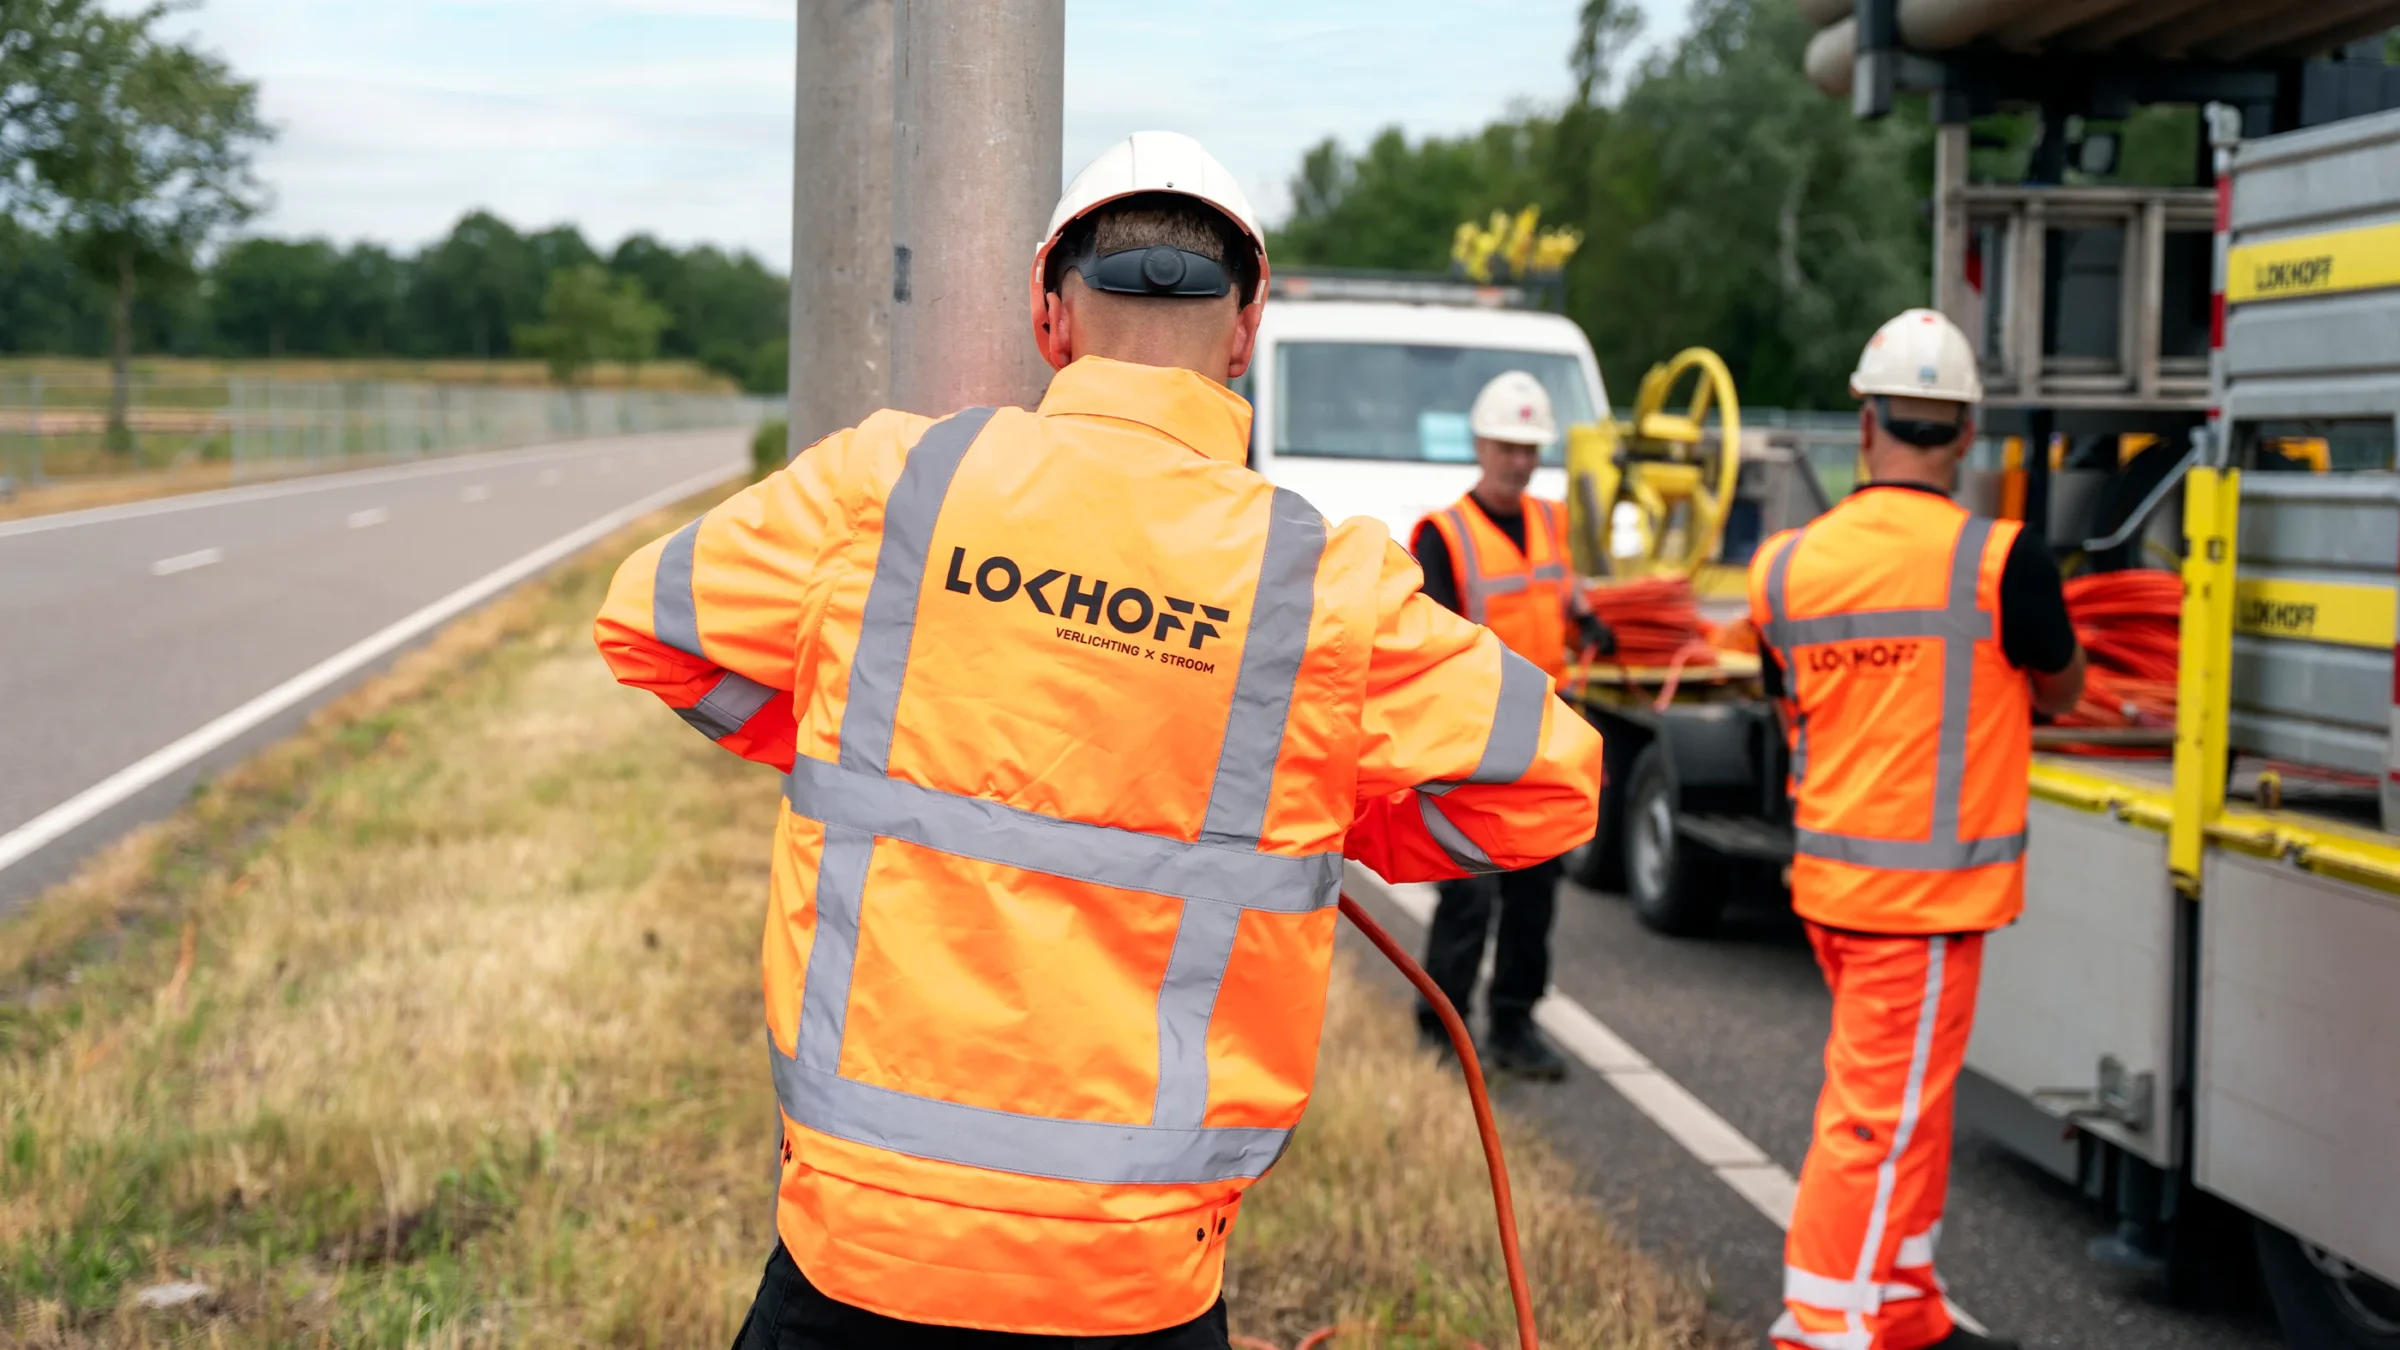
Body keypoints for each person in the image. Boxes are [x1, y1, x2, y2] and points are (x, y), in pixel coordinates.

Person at [594, 130, 1606, 1350]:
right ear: (1247, 332)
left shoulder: (892, 482)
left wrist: (861, 741)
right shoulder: (1317, 582)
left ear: (1048, 315)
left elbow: (650, 624)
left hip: (860, 1252)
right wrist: (1315, 806)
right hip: (1134, 1282)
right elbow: (1552, 781)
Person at [1748, 308, 2084, 1350]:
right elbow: (2063, 691)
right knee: (1875, 1126)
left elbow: (1787, 702)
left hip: (1833, 887)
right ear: (1967, 434)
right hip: (1926, 903)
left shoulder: (1785, 567)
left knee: (1905, 1114)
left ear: (1865, 419)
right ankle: (1819, 1327)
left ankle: (1900, 1308)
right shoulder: (2000, 560)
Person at [1407, 370, 1612, 1081]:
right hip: (1471, 752)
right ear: (1480, 445)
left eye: (1529, 448)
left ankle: (1515, 1025)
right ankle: (1443, 1034)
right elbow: (1427, 640)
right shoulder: (1444, 536)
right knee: (1468, 896)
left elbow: (1562, 593)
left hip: (1543, 749)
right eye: (1507, 446)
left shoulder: (1553, 523)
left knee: (1534, 898)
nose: (1519, 460)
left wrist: (1590, 623)